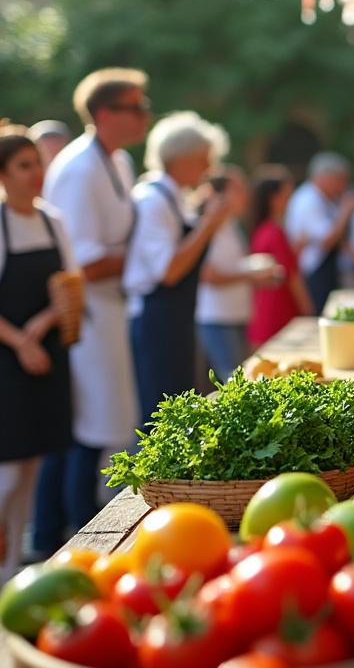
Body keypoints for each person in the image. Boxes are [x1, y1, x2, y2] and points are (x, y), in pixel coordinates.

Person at [38, 68, 148, 555]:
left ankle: (69, 534)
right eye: (136, 107)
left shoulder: (117, 161)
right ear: (105, 114)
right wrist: (144, 255)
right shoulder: (80, 168)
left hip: (111, 308)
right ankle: (66, 539)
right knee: (87, 425)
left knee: (103, 422)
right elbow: (82, 263)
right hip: (86, 313)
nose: (146, 116)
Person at [0, 129, 75, 581]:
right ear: (4, 175)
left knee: (32, 472)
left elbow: (69, 285)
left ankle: (10, 575)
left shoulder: (53, 220)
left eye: (37, 163)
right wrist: (22, 342)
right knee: (6, 476)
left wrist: (43, 325)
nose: (36, 173)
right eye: (24, 166)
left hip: (47, 357)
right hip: (7, 363)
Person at [126, 112, 231, 425]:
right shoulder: (152, 200)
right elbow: (169, 271)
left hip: (176, 318)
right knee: (159, 418)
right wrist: (208, 225)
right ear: (183, 159)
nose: (210, 168)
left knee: (179, 413)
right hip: (155, 321)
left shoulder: (176, 199)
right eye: (205, 159)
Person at [196, 166, 279, 379]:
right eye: (238, 189)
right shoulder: (208, 224)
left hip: (235, 314)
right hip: (217, 316)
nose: (245, 194)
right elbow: (208, 275)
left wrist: (257, 275)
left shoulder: (231, 225)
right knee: (233, 380)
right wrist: (252, 276)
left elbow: (232, 267)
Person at [286, 152, 354, 312]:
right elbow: (328, 240)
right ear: (325, 177)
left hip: (324, 271)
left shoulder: (324, 200)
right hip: (313, 273)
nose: (343, 186)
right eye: (340, 180)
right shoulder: (308, 200)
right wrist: (346, 211)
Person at [249, 165, 314, 346]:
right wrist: (308, 309)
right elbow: (291, 276)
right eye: (286, 196)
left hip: (265, 310)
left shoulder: (262, 229)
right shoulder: (275, 232)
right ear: (274, 199)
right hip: (278, 312)